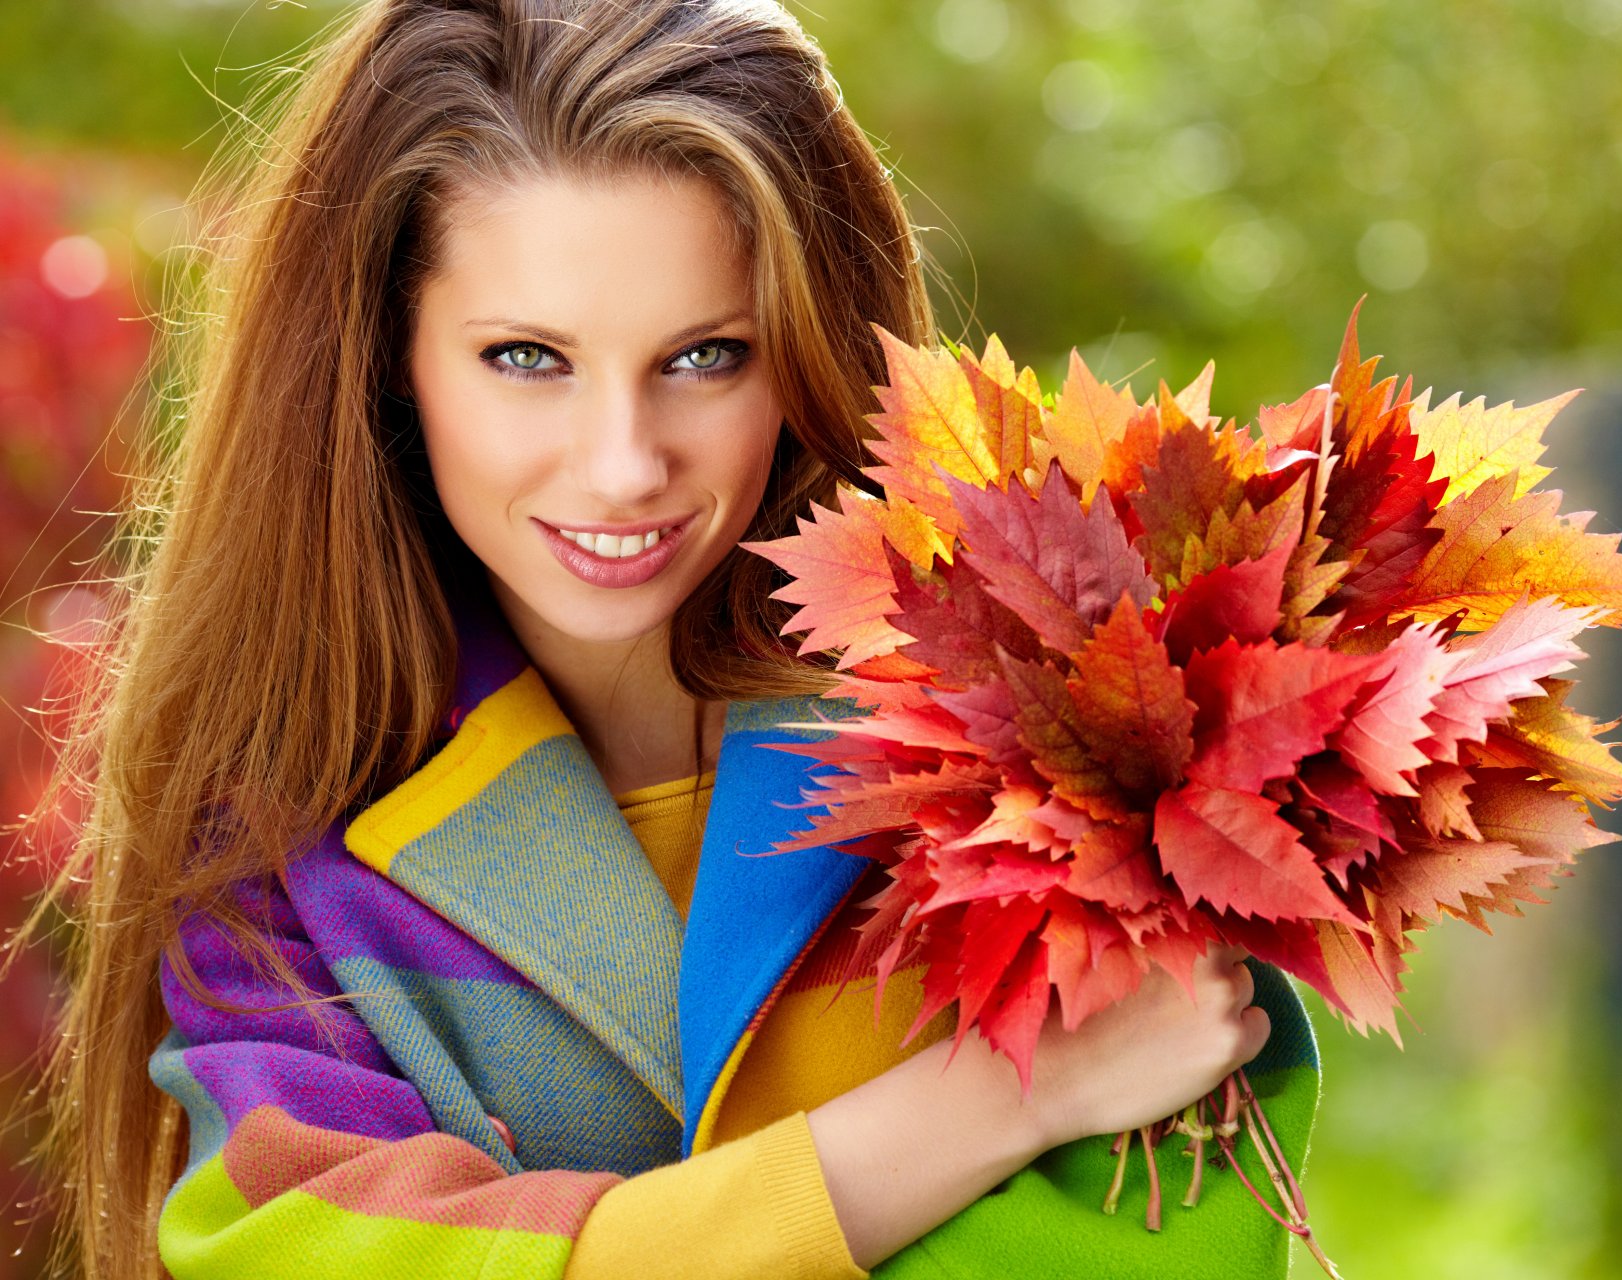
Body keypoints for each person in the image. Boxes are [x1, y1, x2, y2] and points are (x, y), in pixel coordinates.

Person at [31, 2, 1323, 1277]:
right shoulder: (273, 830)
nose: (621, 466)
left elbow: (1160, 1241)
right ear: (387, 361)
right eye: (527, 357)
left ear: (811, 351)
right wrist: (994, 1106)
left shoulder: (1053, 728)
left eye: (705, 355)